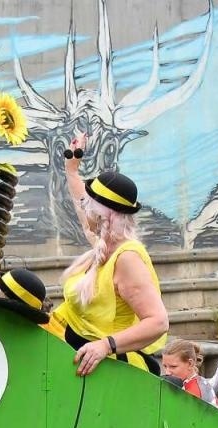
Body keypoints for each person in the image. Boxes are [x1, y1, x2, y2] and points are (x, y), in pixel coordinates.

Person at [52, 131, 170, 376]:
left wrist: (106, 346)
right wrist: (71, 170)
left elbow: (158, 321)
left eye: (89, 203)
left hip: (107, 368)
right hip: (70, 344)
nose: (84, 206)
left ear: (104, 215)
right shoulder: (103, 242)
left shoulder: (127, 257)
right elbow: (81, 206)